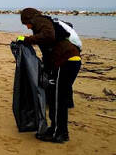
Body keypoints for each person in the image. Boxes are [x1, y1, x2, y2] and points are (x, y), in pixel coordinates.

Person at [17, 8, 81, 143]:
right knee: (55, 98)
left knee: (58, 100)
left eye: (26, 24)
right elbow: (48, 51)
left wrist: (27, 40)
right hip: (66, 62)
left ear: (29, 19)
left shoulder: (40, 20)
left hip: (66, 61)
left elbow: (49, 35)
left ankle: (60, 134)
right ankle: (55, 129)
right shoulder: (43, 23)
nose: (27, 27)